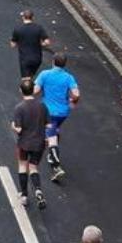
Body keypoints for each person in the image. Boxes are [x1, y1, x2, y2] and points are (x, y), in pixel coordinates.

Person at [34, 53, 81, 182]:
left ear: (53, 61)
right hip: (62, 112)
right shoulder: (69, 78)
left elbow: (35, 90)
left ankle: (56, 166)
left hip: (47, 111)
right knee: (55, 131)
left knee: (51, 136)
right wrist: (72, 101)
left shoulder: (45, 74)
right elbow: (76, 94)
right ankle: (51, 153)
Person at [11, 79, 50, 210]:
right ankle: (38, 190)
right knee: (33, 167)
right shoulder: (42, 106)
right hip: (39, 143)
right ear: (34, 90)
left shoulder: (19, 108)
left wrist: (13, 126)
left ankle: (24, 195)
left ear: (21, 91)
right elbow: (48, 124)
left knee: (22, 165)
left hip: (24, 143)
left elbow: (19, 129)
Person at [10, 10, 52, 80]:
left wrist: (20, 43)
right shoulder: (39, 28)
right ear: (32, 17)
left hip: (25, 58)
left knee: (26, 79)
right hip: (37, 58)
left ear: (23, 17)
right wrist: (41, 44)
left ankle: (28, 89)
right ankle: (30, 85)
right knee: (31, 75)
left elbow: (12, 45)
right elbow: (47, 42)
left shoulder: (18, 29)